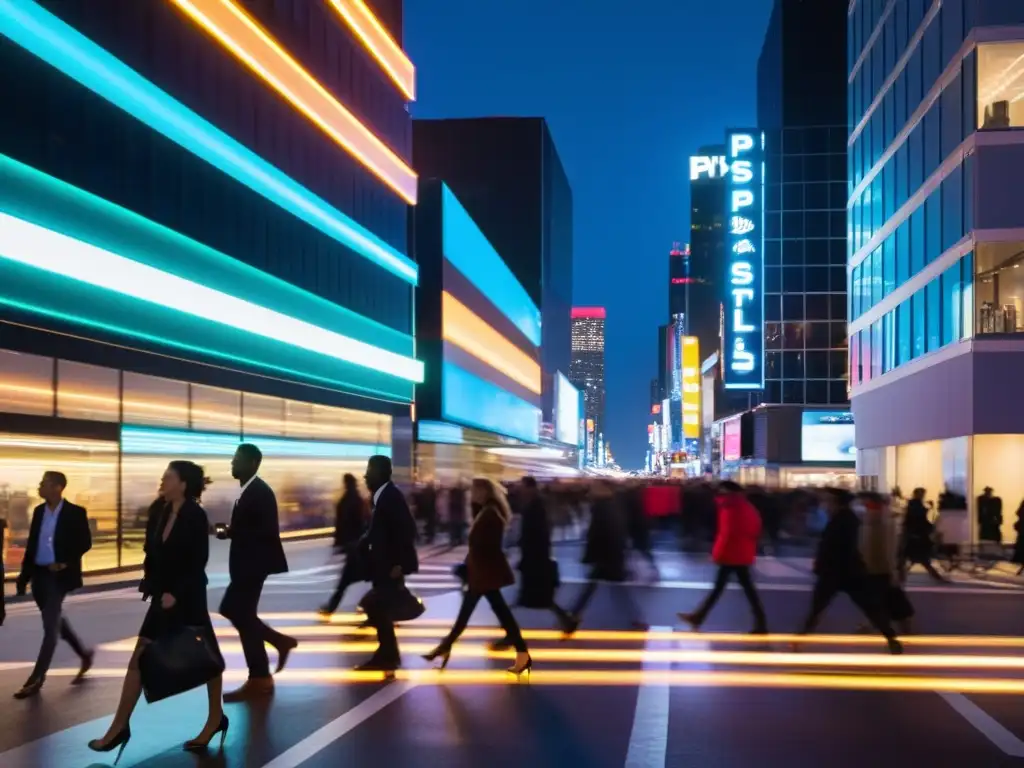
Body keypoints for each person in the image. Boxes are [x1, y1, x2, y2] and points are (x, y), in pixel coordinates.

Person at [88, 461, 226, 760]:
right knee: (139, 657)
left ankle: (215, 718)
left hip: (187, 598)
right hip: (161, 600)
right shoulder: (160, 511)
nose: (162, 480)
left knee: (205, 656)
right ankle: (118, 727)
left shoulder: (194, 515)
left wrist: (175, 593)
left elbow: (197, 560)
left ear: (184, 484)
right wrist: (151, 584)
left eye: (168, 476)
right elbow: (152, 553)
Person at [424, 478, 532, 677]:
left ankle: (444, 647)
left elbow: (487, 546)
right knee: (499, 614)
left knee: (473, 615)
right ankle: (522, 653)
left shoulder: (490, 514)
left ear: (484, 492)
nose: (471, 495)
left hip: (484, 573)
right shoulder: (485, 511)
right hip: (482, 572)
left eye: (475, 491)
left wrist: (472, 568)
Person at [217, 444, 297, 702]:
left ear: (252, 464)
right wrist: (230, 531)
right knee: (240, 613)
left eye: (237, 460)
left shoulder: (259, 491)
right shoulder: (250, 490)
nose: (232, 463)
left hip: (252, 566)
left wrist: (235, 532)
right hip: (248, 565)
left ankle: (263, 671)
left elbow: (264, 532)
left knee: (236, 611)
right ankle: (263, 671)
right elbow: (251, 527)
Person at [13, 471, 94, 699]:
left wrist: (65, 561)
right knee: (55, 619)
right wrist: (23, 577)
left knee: (50, 628)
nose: (40, 487)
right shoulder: (39, 512)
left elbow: (85, 542)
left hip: (58, 578)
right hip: (39, 575)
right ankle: (84, 654)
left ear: (57, 487)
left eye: (44, 484)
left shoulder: (75, 513)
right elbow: (33, 546)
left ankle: (37, 678)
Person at [795, 488, 902, 654]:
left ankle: (801, 638)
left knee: (819, 606)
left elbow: (836, 548)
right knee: (867, 606)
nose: (825, 505)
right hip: (849, 572)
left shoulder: (844, 520)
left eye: (828, 501)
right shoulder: (844, 518)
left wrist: (822, 565)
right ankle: (890, 636)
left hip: (838, 572)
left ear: (836, 502)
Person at [355, 455, 419, 672]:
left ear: (380, 472)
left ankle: (387, 655)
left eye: (369, 470)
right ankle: (388, 654)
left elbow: (406, 529)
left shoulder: (390, 496)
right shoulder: (382, 496)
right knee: (379, 608)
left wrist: (399, 564)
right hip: (383, 565)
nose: (365, 475)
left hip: (390, 566)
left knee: (376, 606)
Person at [678, 481, 768, 634]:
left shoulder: (732, 507)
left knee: (736, 589)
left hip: (732, 554)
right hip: (739, 553)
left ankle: (761, 623)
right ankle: (699, 616)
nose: (718, 493)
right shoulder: (743, 506)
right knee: (734, 589)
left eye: (721, 490)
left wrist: (718, 554)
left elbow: (727, 534)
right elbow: (754, 529)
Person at [515, 477, 573, 631]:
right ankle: (566, 619)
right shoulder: (534, 503)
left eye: (522, 486)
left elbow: (539, 531)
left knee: (539, 596)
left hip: (535, 556)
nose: (520, 489)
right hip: (535, 555)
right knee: (540, 597)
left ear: (529, 487)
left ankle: (509, 631)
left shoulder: (536, 505)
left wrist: (527, 547)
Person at [857, 491, 913, 633]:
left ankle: (869, 627)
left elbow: (889, 549)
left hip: (881, 572)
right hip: (876, 571)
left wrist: (893, 571)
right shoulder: (871, 524)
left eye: (868, 505)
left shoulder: (883, 524)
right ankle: (872, 626)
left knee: (887, 604)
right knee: (893, 605)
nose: (865, 509)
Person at [319, 474, 369, 619]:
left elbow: (342, 524)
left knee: (346, 580)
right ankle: (367, 606)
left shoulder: (347, 500)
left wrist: (339, 542)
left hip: (353, 546)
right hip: (359, 545)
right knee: (365, 577)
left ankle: (332, 607)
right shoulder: (358, 499)